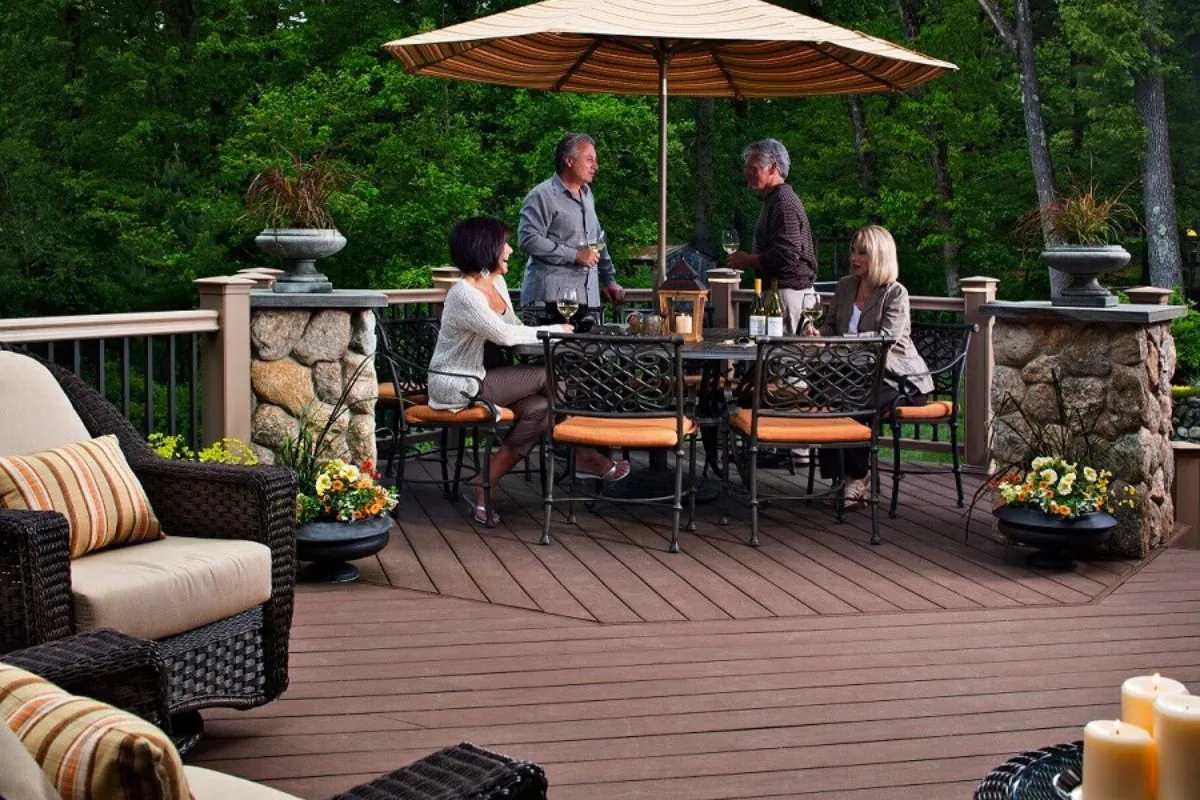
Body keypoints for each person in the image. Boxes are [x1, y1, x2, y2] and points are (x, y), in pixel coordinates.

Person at [428, 216, 630, 525]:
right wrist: (557, 329)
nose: (510, 250)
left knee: (541, 408)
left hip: (488, 377)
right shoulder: (464, 294)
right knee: (550, 376)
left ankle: (483, 484)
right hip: (457, 382)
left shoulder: (496, 283)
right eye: (504, 244)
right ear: (487, 249)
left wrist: (545, 331)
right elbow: (506, 336)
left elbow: (513, 327)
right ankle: (584, 453)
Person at [807, 225, 933, 502]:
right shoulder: (844, 286)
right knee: (824, 395)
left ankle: (856, 477)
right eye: (853, 251)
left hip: (898, 380)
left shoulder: (895, 294)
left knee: (850, 400)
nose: (854, 257)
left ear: (879, 256)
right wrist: (819, 334)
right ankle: (843, 476)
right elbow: (830, 326)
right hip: (855, 374)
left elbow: (885, 338)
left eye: (862, 253)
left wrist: (843, 341)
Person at [518, 133, 626, 324]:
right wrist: (574, 255)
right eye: (589, 160)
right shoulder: (542, 195)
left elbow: (597, 241)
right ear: (568, 160)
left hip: (586, 300)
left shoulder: (587, 195)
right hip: (549, 301)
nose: (595, 166)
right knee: (546, 355)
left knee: (587, 354)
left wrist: (609, 280)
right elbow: (528, 239)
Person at [727, 138, 818, 333]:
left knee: (784, 360)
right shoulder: (775, 200)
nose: (747, 173)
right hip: (781, 296)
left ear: (773, 168)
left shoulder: (783, 203)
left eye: (754, 168)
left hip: (787, 297)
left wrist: (747, 260)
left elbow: (787, 254)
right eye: (747, 168)